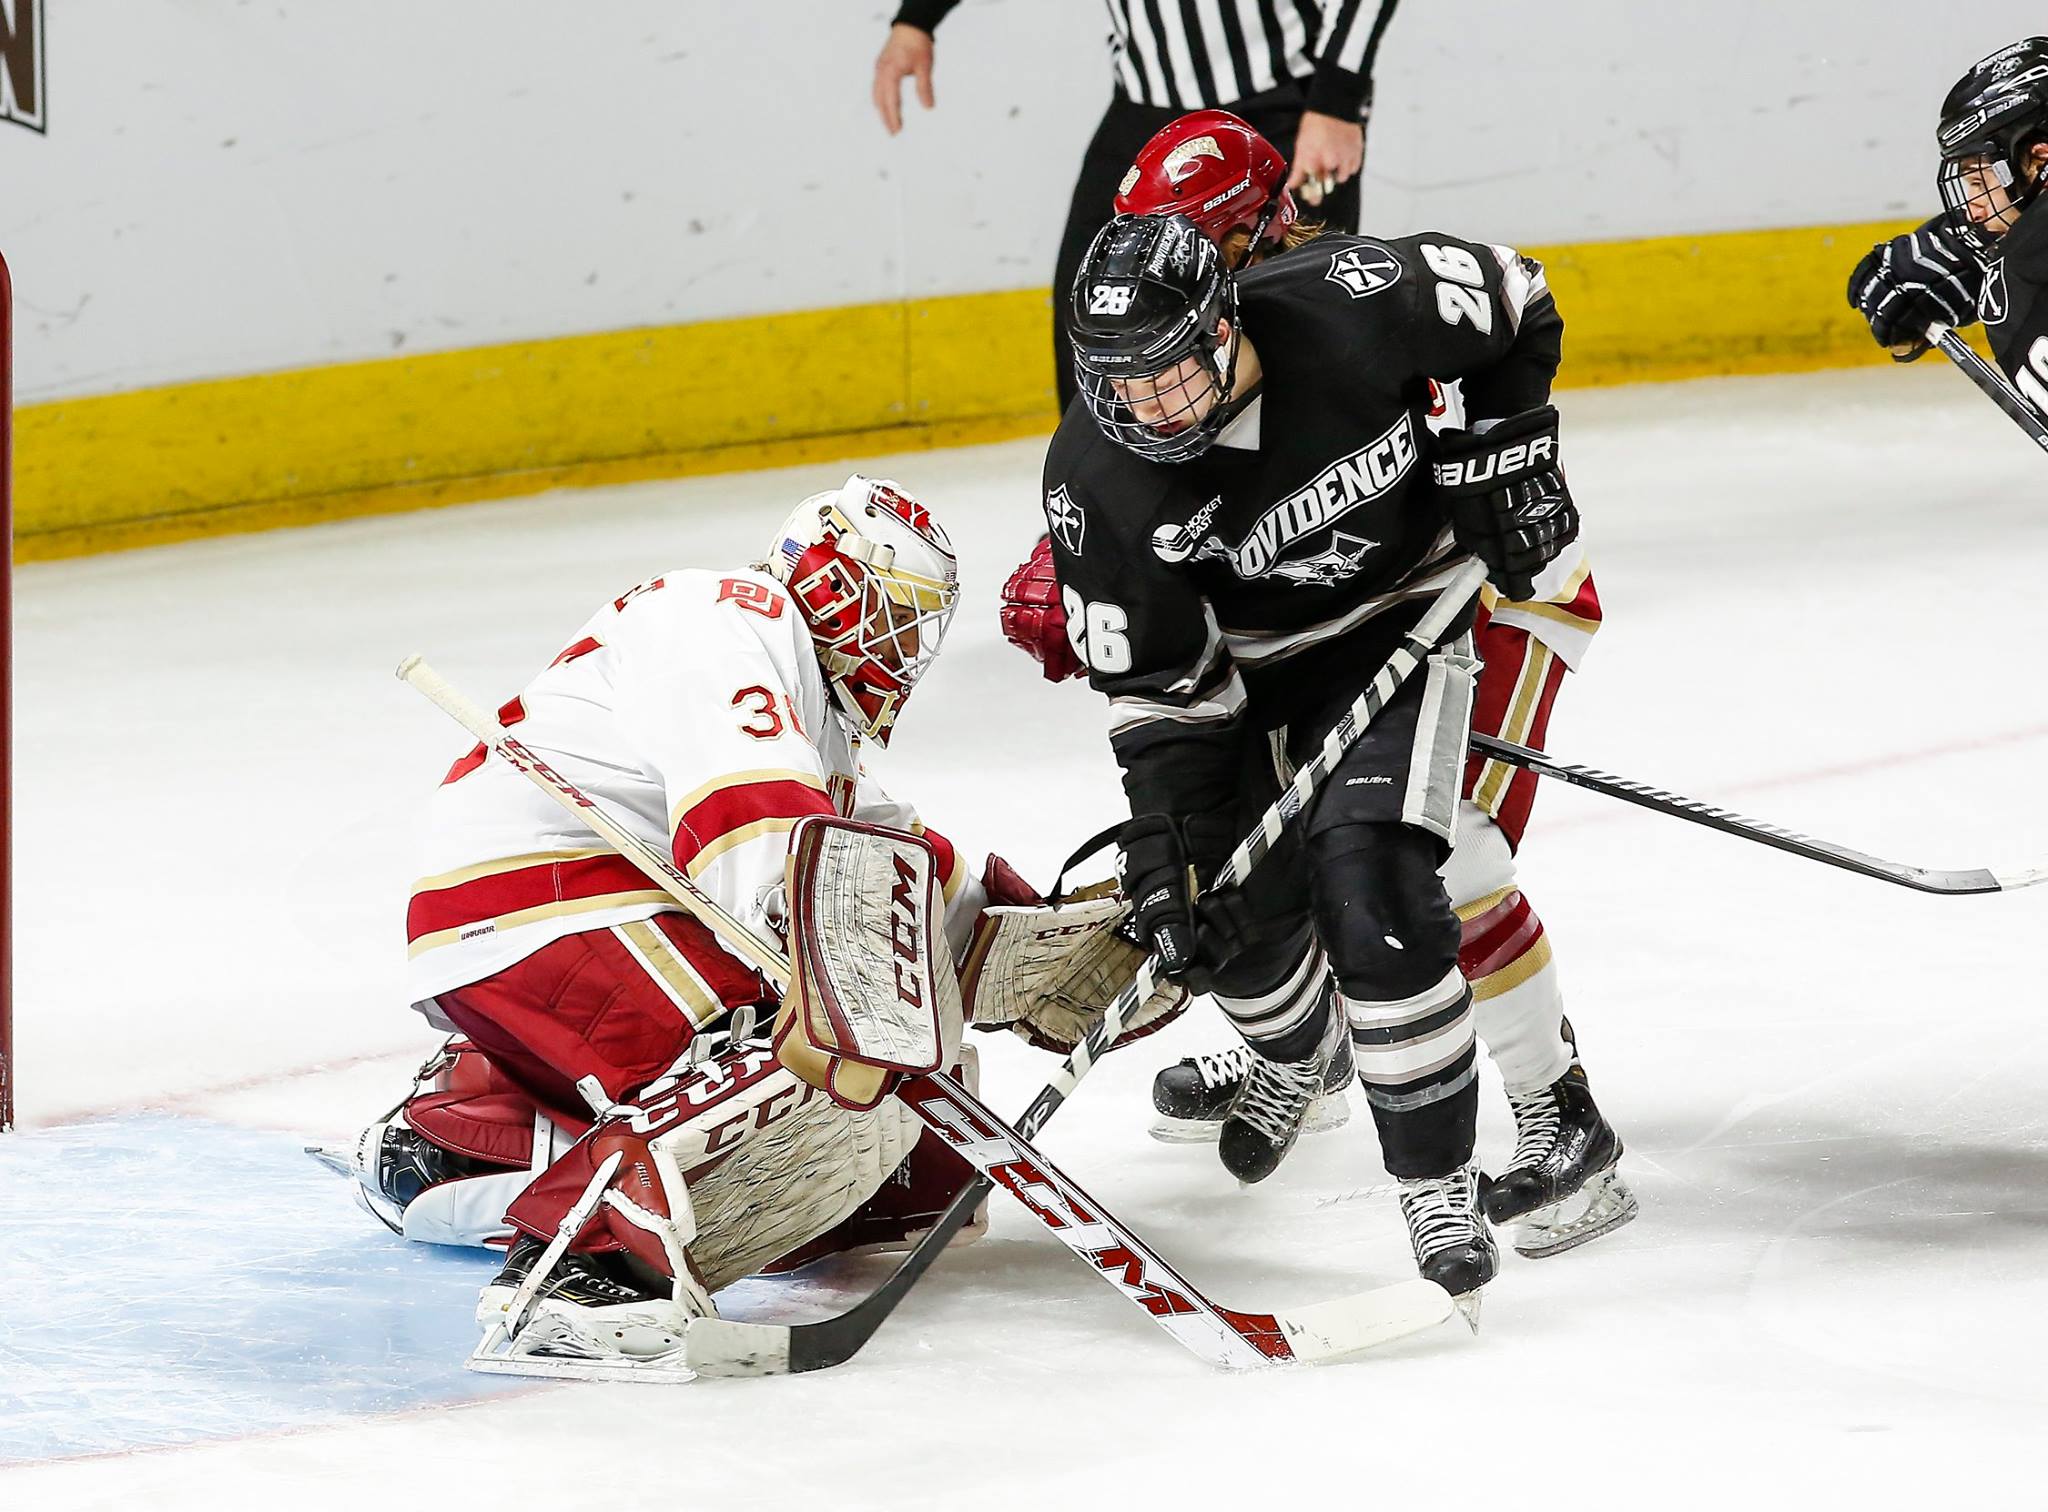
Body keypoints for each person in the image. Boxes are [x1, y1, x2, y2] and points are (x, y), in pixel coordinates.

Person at [329, 475, 1183, 1371]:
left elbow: (904, 879)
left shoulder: (814, 725)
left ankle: (475, 1131)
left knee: (914, 1168)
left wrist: (1076, 948)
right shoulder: (729, 617)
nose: (907, 647)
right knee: (805, 1055)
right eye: (895, 612)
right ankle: (583, 1271)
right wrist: (857, 1000)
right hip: (540, 899)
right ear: (830, 584)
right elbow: (766, 854)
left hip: (585, 918)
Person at [1008, 112, 1632, 1264]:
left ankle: (1559, 1112)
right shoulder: (1147, 391)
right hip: (1301, 641)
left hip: (1471, 586)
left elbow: (1508, 315)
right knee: (1262, 864)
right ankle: (1307, 1042)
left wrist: (1512, 459)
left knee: (1446, 844)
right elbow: (1166, 659)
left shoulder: (1346, 298)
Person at [873, 1, 1401, 409]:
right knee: (1095, 322)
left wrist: (1338, 98)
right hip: (1145, 111)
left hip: (1281, 102)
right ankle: (1097, 516)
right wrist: (916, 21)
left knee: (1297, 325)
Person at [1848, 38, 2048, 413]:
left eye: (1977, 180)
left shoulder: (2021, 276)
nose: (1973, 212)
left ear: (2040, 158)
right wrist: (1969, 257)